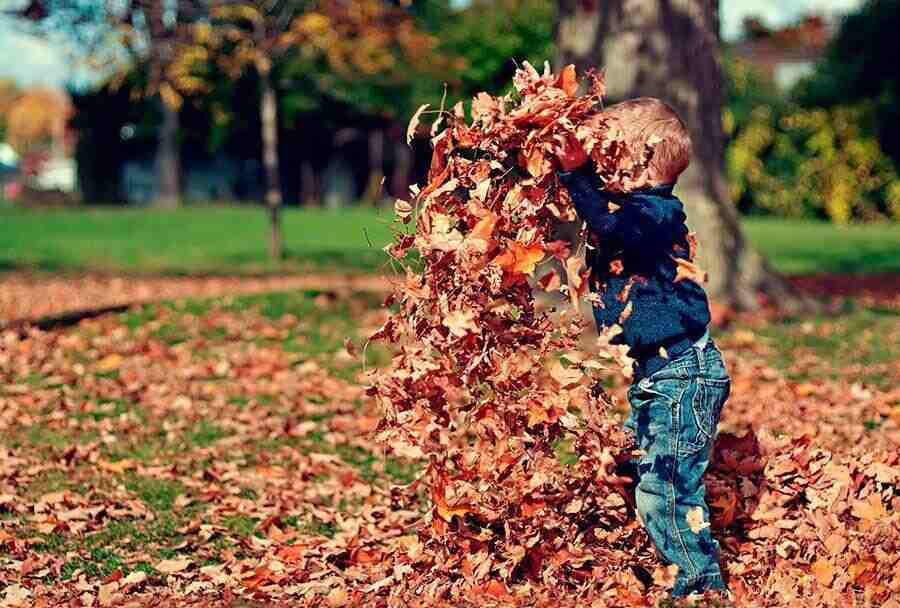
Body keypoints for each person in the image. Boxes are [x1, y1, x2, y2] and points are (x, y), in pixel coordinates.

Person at [554, 97, 731, 599]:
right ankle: (649, 552)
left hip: (683, 376)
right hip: (659, 377)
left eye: (605, 158)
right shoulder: (636, 212)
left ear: (634, 160)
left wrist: (575, 176)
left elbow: (612, 227)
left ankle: (700, 585)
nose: (597, 168)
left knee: (668, 490)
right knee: (635, 464)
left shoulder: (656, 214)